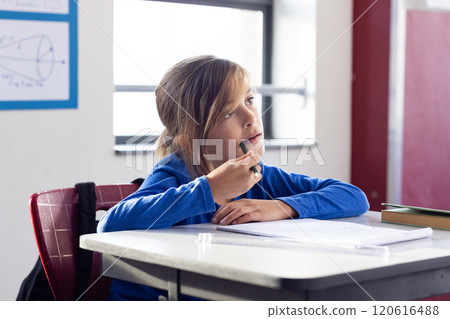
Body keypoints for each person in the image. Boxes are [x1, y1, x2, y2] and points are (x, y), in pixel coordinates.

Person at [97, 55, 369, 300]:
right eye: (228, 112)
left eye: (249, 100)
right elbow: (110, 225)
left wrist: (279, 208)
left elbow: (353, 197)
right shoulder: (177, 173)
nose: (251, 117)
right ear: (189, 138)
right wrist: (210, 189)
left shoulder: (260, 175)